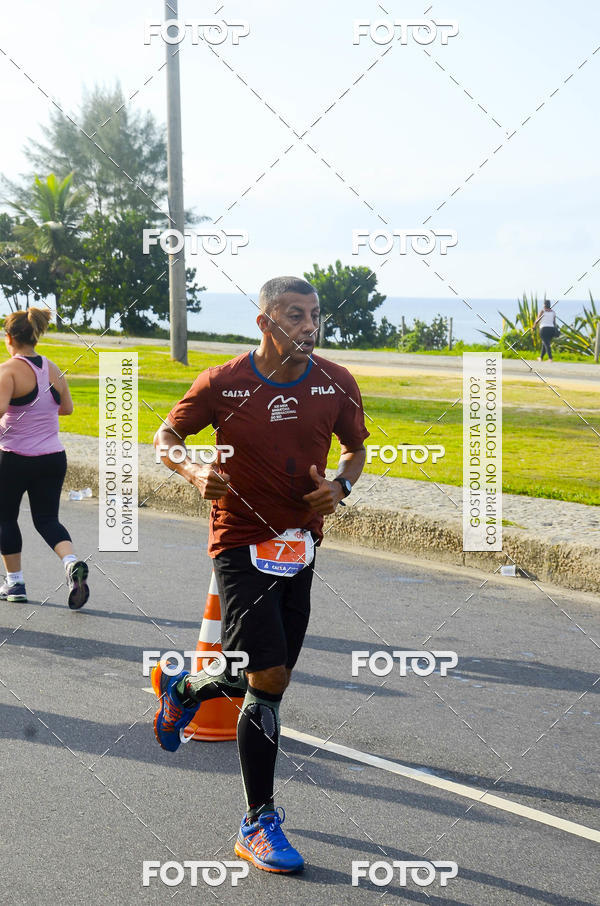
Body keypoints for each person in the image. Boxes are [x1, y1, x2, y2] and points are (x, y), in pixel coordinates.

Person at [151, 276, 368, 873]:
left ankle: (183, 691)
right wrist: (195, 471)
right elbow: (165, 436)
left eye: (315, 315)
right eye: (295, 315)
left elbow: (355, 450)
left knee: (264, 676)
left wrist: (341, 486)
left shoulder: (335, 382)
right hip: (240, 540)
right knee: (266, 675)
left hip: (300, 544)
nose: (309, 326)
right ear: (265, 322)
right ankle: (258, 822)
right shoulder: (224, 382)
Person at [0, 308, 89, 608]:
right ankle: (71, 563)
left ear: (9, 337)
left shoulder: (8, 371)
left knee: (5, 518)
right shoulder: (53, 368)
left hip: (14, 458)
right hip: (52, 458)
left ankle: (15, 583)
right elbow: (67, 408)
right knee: (47, 519)